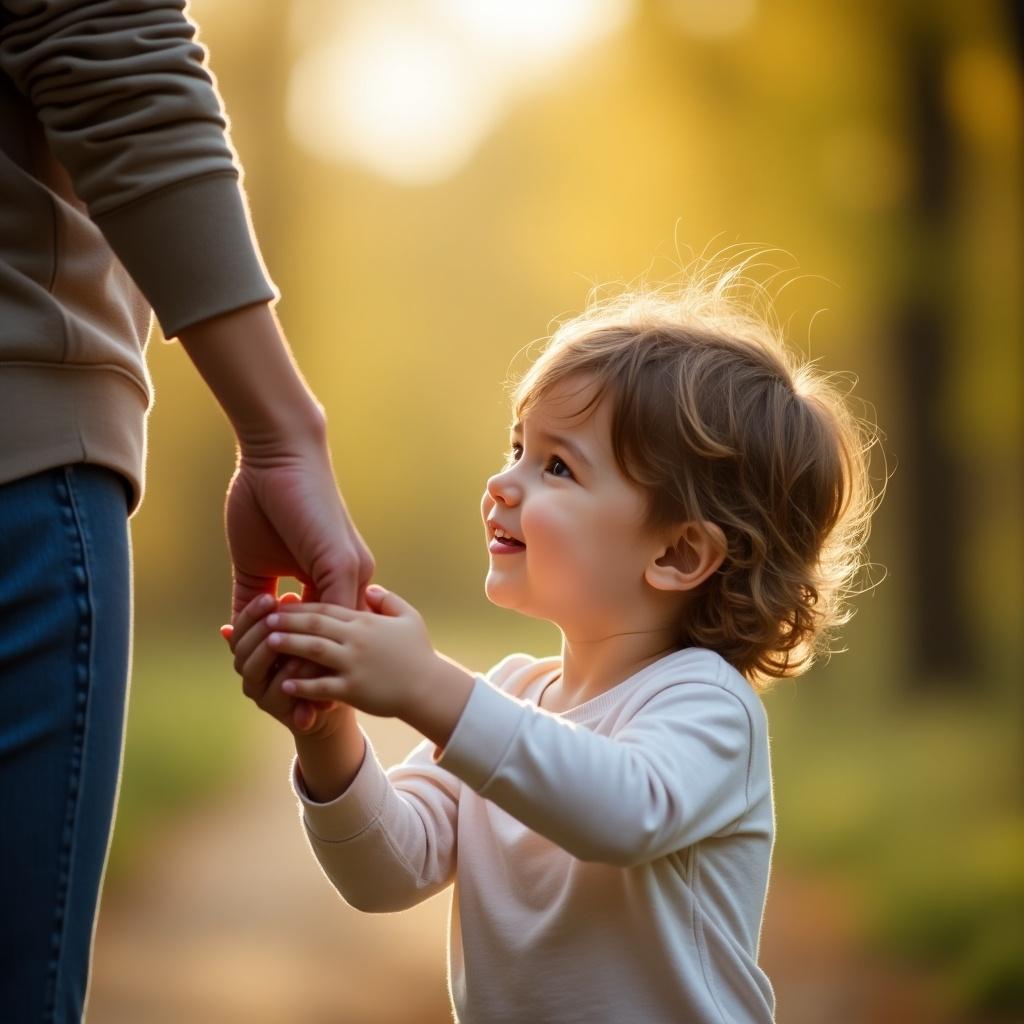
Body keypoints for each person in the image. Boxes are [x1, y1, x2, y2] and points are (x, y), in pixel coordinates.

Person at [225, 275, 878, 1023]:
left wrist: (426, 687)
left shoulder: (707, 705)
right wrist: (328, 730)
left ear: (677, 553)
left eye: (556, 466)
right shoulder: (506, 699)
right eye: (515, 447)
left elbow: (621, 810)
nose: (503, 483)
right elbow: (385, 873)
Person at [0, 2, 371, 1020]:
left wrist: (331, 735)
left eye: (558, 465)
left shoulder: (698, 719)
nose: (505, 485)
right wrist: (281, 430)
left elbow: (401, 859)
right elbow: (103, 41)